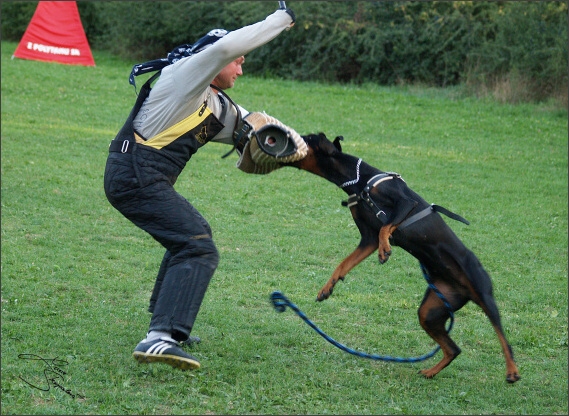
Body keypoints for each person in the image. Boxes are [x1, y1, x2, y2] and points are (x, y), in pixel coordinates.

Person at [104, 6, 296, 371]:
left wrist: (308, 152)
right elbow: (224, 48)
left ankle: (164, 320)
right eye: (238, 61)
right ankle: (161, 337)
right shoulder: (183, 75)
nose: (240, 68)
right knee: (196, 245)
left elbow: (252, 132)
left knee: (189, 238)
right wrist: (281, 18)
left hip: (144, 176)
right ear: (214, 59)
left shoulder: (217, 104)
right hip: (133, 172)